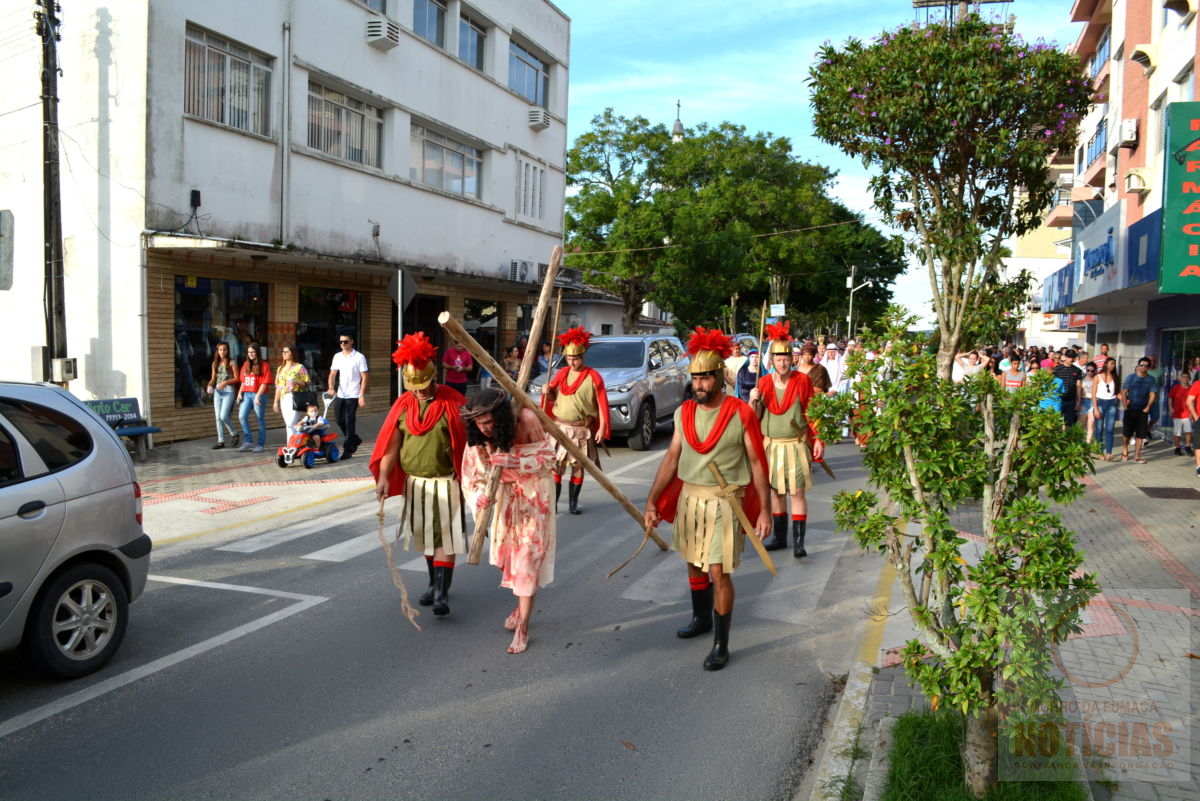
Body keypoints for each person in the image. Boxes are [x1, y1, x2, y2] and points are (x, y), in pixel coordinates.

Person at [642, 327, 770, 669]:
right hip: (690, 499)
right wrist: (652, 500)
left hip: (725, 503)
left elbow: (758, 463)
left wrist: (766, 512)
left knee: (718, 571)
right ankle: (700, 619)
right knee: (693, 562)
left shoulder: (741, 413)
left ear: (719, 377)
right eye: (694, 379)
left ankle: (720, 643)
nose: (698, 385)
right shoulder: (683, 413)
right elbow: (671, 459)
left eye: (704, 379)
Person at [371, 333, 468, 617]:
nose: (420, 391)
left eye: (424, 386)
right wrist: (384, 477)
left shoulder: (454, 401)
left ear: (434, 378)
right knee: (426, 538)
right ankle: (433, 583)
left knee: (445, 538)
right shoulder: (403, 404)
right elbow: (391, 444)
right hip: (416, 483)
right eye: (415, 387)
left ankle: (441, 592)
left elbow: (469, 441)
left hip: (446, 482)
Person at [460, 388, 557, 654]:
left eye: (490, 422)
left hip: (535, 496)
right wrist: (480, 497)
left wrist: (515, 460)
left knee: (527, 559)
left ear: (501, 416)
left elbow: (549, 459)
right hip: (506, 501)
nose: (486, 428)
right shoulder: (478, 436)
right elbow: (471, 477)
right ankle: (520, 606)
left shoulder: (525, 418)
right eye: (480, 423)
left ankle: (523, 627)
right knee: (512, 561)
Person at [749, 321, 824, 558]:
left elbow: (812, 411)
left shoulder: (802, 381)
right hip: (771, 446)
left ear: (792, 358)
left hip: (796, 444)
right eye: (777, 359)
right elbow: (755, 417)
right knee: (776, 493)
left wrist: (819, 438)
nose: (782, 363)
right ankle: (780, 539)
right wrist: (753, 400)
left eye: (785, 358)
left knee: (797, 493)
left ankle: (799, 543)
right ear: (771, 360)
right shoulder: (763, 383)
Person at [540, 326, 609, 515]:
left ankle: (573, 503)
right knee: (557, 466)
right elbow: (552, 398)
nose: (572, 362)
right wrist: (547, 391)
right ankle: (553, 504)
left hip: (581, 429)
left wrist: (602, 428)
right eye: (569, 358)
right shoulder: (561, 373)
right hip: (560, 428)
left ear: (583, 356)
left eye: (576, 358)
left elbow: (602, 405)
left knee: (578, 467)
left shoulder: (594, 377)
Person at [327, 332, 369, 460]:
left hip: (353, 394)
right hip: (341, 393)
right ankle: (354, 439)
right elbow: (332, 374)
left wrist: (361, 395)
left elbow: (365, 376)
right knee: (339, 419)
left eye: (345, 341)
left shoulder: (359, 357)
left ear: (352, 342)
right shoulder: (337, 356)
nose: (342, 344)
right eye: (340, 342)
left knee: (349, 421)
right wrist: (330, 387)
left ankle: (348, 449)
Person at [236, 343, 272, 453]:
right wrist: (239, 393)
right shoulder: (246, 364)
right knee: (242, 416)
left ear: (257, 352)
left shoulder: (264, 365)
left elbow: (265, 383)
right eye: (249, 352)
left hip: (259, 394)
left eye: (253, 352)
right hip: (246, 394)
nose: (250, 354)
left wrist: (258, 396)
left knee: (259, 419)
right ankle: (248, 441)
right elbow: (243, 381)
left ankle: (260, 444)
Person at [1121, 358, 1157, 463]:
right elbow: (1124, 392)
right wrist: (1125, 407)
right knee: (1127, 433)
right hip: (1130, 409)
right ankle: (1125, 448)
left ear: (1148, 367)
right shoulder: (1130, 378)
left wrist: (1148, 407)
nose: (1143, 367)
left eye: (1146, 365)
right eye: (1142, 365)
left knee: (1141, 434)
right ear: (1138, 365)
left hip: (1143, 410)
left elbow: (1153, 394)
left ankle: (1136, 456)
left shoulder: (1151, 380)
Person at [272, 344, 311, 440]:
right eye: (283, 352)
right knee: (288, 425)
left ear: (292, 353)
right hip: (283, 398)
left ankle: (300, 436)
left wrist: (296, 382)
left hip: (296, 397)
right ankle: (292, 447)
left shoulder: (299, 367)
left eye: (287, 352)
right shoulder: (280, 368)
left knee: (290, 423)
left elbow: (307, 383)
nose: (284, 354)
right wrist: (275, 401)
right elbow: (278, 386)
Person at [207, 341, 240, 450]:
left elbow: (237, 378)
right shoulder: (215, 363)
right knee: (218, 418)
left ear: (228, 350)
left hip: (228, 392)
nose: (222, 352)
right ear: (217, 351)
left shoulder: (232, 362)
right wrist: (209, 386)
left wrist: (225, 382)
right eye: (220, 350)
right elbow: (213, 379)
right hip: (217, 392)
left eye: (224, 349)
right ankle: (221, 441)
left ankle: (234, 433)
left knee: (224, 416)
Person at [1092, 357, 1120, 461]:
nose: (1113, 366)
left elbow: (1117, 393)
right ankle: (1099, 452)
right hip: (1100, 403)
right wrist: (1095, 408)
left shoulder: (1115, 377)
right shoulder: (1097, 377)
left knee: (1110, 429)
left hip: (1111, 404)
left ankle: (1109, 453)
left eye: (1114, 364)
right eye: (1111, 363)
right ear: (1106, 364)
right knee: (1099, 429)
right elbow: (1093, 394)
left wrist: (1126, 400)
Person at [1052, 350, 1083, 428]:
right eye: (1069, 357)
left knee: (1069, 423)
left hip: (1071, 399)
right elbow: (1053, 384)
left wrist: (1079, 401)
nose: (1071, 359)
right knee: (1056, 422)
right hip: (1058, 399)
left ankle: (1066, 439)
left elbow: (1078, 386)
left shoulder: (1077, 370)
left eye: (1072, 357)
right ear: (1065, 357)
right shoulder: (1057, 369)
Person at [1168, 372, 1194, 457]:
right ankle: (1177, 448)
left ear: (1189, 379)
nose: (1185, 379)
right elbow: (1170, 398)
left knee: (1188, 431)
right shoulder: (1176, 388)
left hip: (1187, 414)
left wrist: (1192, 413)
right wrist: (1171, 408)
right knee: (1177, 432)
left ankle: (1188, 447)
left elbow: (1194, 401)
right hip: (1177, 414)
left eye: (1187, 377)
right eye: (1183, 377)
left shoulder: (1191, 388)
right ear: (1180, 378)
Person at [1080, 362, 1097, 443]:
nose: (1090, 372)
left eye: (1092, 371)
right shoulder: (1081, 379)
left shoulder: (1096, 379)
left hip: (1093, 401)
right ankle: (1079, 442)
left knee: (1090, 425)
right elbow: (1079, 392)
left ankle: (1088, 443)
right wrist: (1078, 402)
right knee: (1081, 424)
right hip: (1084, 401)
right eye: (1088, 370)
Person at [1187, 375, 1200, 476]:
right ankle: (1199, 467)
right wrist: (1196, 416)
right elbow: (1189, 401)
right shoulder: (1197, 384)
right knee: (1198, 443)